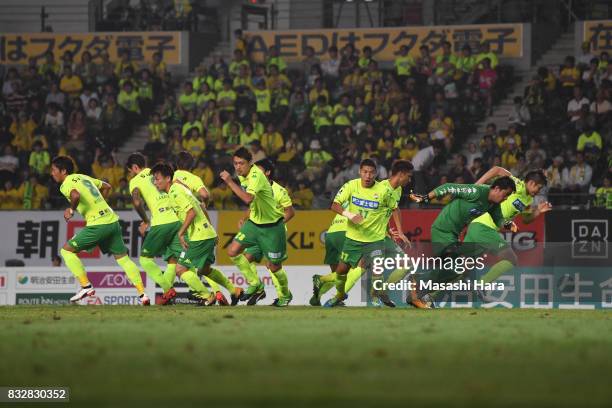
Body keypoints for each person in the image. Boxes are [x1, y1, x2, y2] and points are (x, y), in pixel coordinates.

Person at [50, 156, 149, 305]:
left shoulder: (65, 184)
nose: (52, 173)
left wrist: (71, 210)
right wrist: (98, 203)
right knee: (123, 259)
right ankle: (143, 294)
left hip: (98, 224)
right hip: (112, 221)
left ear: (63, 171)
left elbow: (75, 195)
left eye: (54, 170)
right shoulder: (82, 177)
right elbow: (107, 186)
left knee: (66, 251)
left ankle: (85, 286)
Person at [408, 177, 516, 307]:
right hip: (442, 231)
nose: (506, 198)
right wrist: (426, 197)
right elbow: (447, 186)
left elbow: (498, 219)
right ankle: (418, 282)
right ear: (497, 189)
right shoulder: (476, 192)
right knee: (457, 266)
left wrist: (508, 224)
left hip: (453, 235)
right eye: (506, 194)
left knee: (457, 269)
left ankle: (416, 294)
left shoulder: (493, 204)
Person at [152, 162, 242, 306]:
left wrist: (181, 233)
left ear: (168, 178)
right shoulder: (180, 187)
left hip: (199, 235)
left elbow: (192, 212)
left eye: (157, 179)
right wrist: (211, 229)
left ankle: (207, 296)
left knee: (180, 269)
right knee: (204, 269)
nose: (155, 182)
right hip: (206, 233)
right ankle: (234, 290)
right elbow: (200, 206)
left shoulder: (175, 192)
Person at [220, 147, 293, 307]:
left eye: (241, 163)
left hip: (272, 227)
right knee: (233, 251)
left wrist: (229, 181)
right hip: (254, 224)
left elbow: (247, 198)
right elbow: (253, 204)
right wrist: (245, 217)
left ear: (250, 163)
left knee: (274, 267)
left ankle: (285, 295)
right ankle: (256, 284)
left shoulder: (256, 176)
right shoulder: (244, 176)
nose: (238, 167)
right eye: (235, 163)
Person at [322, 159, 400, 307]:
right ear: (360, 172)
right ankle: (338, 295)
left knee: (377, 270)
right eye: (365, 172)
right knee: (341, 271)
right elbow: (334, 205)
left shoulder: (384, 190)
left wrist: (398, 231)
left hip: (375, 239)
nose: (368, 175)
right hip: (353, 238)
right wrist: (350, 215)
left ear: (376, 173)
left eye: (371, 172)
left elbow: (394, 209)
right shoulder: (351, 185)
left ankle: (375, 298)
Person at [464, 167, 551, 294]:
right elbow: (497, 170)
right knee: (510, 259)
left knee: (463, 268)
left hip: (479, 227)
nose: (538, 192)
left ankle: (428, 295)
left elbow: (526, 219)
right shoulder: (517, 184)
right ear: (531, 183)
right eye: (539, 187)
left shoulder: (528, 199)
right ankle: (481, 284)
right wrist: (477, 185)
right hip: (484, 226)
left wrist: (538, 211)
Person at [126, 153, 183, 305]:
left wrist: (145, 221)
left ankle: (166, 288)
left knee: (145, 260)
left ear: (135, 168)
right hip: (177, 221)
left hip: (161, 222)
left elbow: (137, 203)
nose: (130, 174)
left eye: (130, 171)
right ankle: (168, 294)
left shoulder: (135, 181)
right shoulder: (159, 174)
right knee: (173, 259)